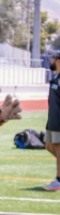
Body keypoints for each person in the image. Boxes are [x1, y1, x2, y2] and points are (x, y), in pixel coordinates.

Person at [43, 52, 60, 191]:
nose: (51, 61)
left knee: (58, 147)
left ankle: (58, 181)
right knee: (48, 145)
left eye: (53, 59)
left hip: (58, 120)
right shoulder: (55, 77)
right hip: (52, 119)